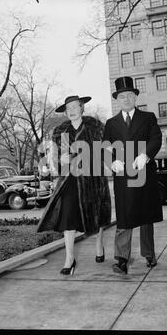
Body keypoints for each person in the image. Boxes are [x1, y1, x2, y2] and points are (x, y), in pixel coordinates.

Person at [37, 95, 111, 275]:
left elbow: (105, 149)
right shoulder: (61, 131)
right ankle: (69, 258)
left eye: (74, 107)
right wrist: (59, 160)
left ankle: (99, 243)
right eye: (68, 108)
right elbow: (57, 156)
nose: (71, 111)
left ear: (82, 108)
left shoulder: (95, 126)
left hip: (92, 176)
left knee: (97, 213)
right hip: (70, 178)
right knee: (68, 215)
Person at [103, 76, 163, 275]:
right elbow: (105, 146)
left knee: (146, 217)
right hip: (123, 177)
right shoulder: (111, 123)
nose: (126, 99)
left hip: (144, 172)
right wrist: (112, 161)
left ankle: (149, 254)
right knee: (124, 218)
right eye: (122, 96)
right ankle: (121, 260)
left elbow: (156, 138)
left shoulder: (148, 118)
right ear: (117, 100)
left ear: (135, 97)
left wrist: (145, 155)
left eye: (129, 95)